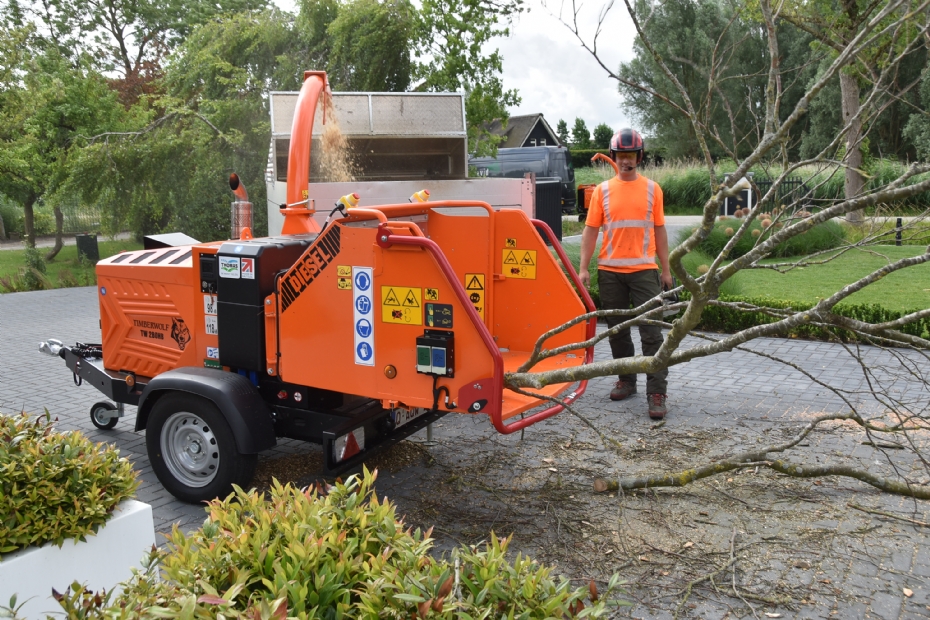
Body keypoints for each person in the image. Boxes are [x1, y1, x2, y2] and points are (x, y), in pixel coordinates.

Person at [577, 128, 672, 420]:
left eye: (631, 155)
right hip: (610, 272)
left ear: (639, 157)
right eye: (621, 156)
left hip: (645, 271)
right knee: (617, 333)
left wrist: (666, 269)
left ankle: (657, 393)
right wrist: (583, 268)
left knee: (652, 335)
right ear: (615, 156)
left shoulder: (653, 189)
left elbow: (659, 230)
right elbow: (591, 231)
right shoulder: (602, 191)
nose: (626, 161)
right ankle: (627, 380)